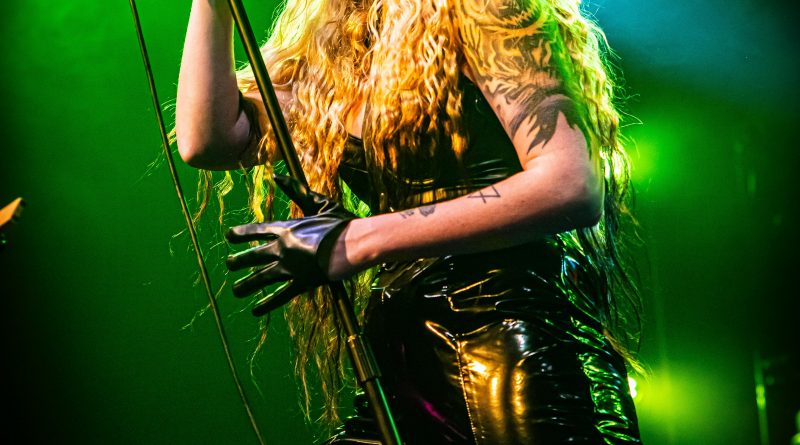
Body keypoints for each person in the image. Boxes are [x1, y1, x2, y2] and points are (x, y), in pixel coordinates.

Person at [175, 0, 643, 443]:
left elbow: (568, 184)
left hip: (514, 340)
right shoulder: (330, 34)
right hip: (404, 356)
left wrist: (357, 239)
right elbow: (209, 141)